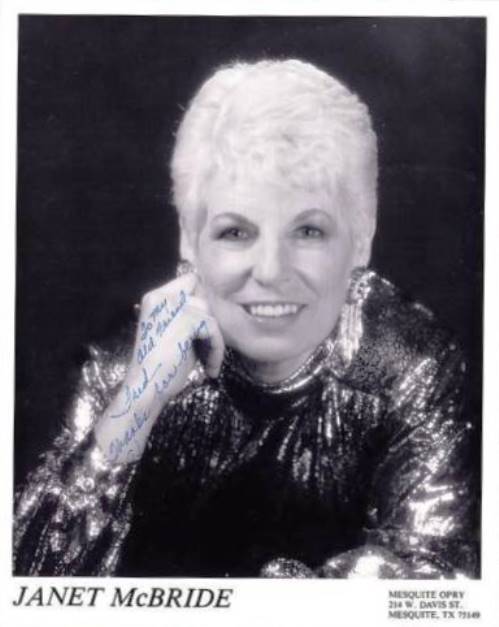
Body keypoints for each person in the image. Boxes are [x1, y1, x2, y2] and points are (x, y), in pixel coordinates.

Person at [14, 59, 479, 578]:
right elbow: (27, 587)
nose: (272, 271)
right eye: (236, 232)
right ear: (189, 240)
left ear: (361, 240)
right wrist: (137, 403)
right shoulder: (123, 367)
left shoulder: (410, 368)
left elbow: (436, 583)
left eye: (308, 231)